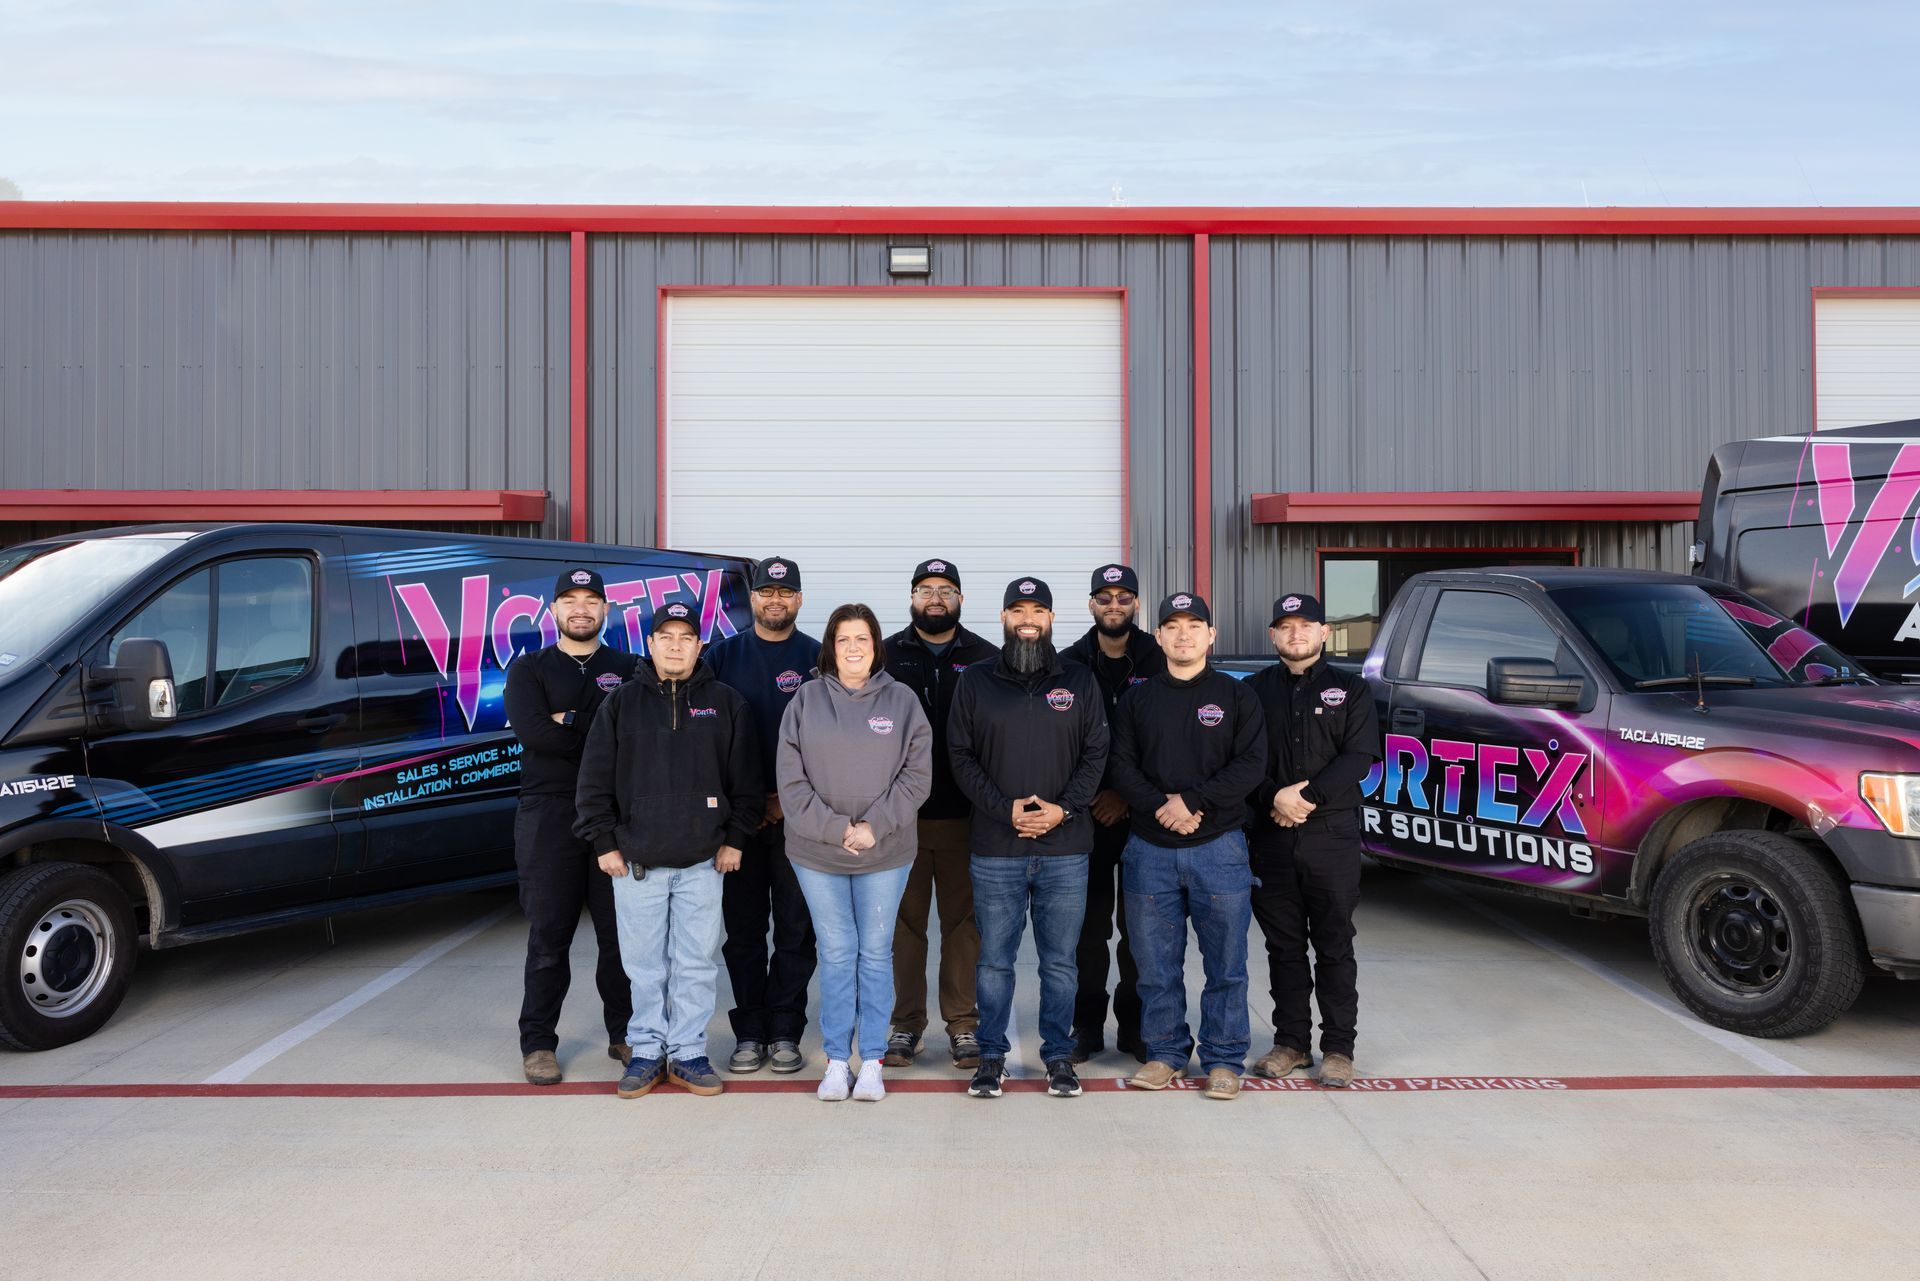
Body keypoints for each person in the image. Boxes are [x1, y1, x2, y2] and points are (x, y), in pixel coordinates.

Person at [575, 600, 763, 1099]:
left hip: (704, 862)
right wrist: (603, 842)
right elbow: (592, 782)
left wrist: (735, 840)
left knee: (696, 962)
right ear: (651, 644)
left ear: (699, 645)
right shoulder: (619, 704)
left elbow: (747, 785)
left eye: (686, 637)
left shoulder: (726, 702)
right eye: (667, 637)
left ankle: (688, 1052)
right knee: (643, 964)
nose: (676, 645)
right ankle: (645, 1051)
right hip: (636, 864)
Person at [948, 578, 1108, 1099]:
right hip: (997, 848)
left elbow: (1095, 755)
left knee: (1061, 962)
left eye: (1038, 609)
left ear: (1052, 619)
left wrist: (1061, 810)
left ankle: (1058, 1056)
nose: (1028, 619)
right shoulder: (975, 681)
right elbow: (960, 756)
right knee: (995, 959)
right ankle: (990, 1057)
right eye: (1018, 609)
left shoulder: (1080, 681)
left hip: (1066, 849)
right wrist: (1004, 809)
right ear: (1003, 618)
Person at [1107, 592, 1267, 1101]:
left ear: (1210, 635)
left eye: (1194, 625)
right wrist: (1162, 806)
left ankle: (1223, 1059)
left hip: (1219, 848)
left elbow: (1250, 766)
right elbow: (1120, 766)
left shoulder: (1237, 696)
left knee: (1227, 963)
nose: (1183, 635)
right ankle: (1166, 1053)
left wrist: (1192, 801)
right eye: (1172, 627)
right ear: (1158, 637)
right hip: (1148, 850)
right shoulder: (1137, 699)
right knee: (1154, 965)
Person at [776, 603, 932, 1102]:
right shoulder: (805, 701)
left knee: (875, 954)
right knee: (838, 952)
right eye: (843, 639)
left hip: (884, 852)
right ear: (830, 646)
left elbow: (916, 776)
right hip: (817, 852)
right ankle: (837, 1061)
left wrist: (873, 827)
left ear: (875, 645)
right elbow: (790, 781)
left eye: (862, 639)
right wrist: (837, 828)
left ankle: (873, 1061)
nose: (853, 648)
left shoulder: (903, 701)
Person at [503, 568, 638, 1086]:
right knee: (549, 936)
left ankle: (625, 1034)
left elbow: (634, 737)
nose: (580, 609)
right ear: (553, 611)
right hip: (549, 814)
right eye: (569, 600)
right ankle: (538, 1042)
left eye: (591, 600)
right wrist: (596, 724)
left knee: (619, 937)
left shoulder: (629, 667)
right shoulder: (529, 669)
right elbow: (536, 734)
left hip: (615, 814)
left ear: (607, 610)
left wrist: (570, 720)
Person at [1244, 592, 1381, 1089]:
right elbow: (1243, 761)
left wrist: (1306, 798)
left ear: (1325, 633)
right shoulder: (1252, 691)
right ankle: (1291, 1043)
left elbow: (1358, 756)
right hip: (1271, 836)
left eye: (1306, 625)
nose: (1296, 633)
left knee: (1334, 944)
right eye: (1285, 626)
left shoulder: (1352, 689)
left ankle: (1339, 1049)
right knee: (1283, 947)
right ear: (1273, 636)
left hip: (1331, 835)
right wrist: (1272, 799)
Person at [882, 558, 999, 1070]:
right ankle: (905, 1024)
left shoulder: (986, 658)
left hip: (964, 818)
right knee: (903, 926)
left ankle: (963, 1025)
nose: (935, 598)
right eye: (926, 589)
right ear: (911, 597)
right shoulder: (885, 655)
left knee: (963, 926)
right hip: (898, 819)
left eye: (946, 590)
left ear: (961, 599)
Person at [705, 556, 820, 1075]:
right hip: (740, 826)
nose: (775, 600)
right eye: (766, 591)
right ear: (751, 598)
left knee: (797, 933)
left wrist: (784, 801)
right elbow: (704, 744)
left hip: (801, 821)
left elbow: (831, 744)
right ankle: (749, 1030)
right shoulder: (721, 656)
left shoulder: (821, 658)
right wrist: (746, 807)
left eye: (785, 592)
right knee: (745, 934)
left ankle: (785, 1030)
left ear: (799, 599)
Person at [1059, 562, 1164, 1063]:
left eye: (1124, 597)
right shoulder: (1068, 662)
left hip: (1145, 818)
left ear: (1137, 604)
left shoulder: (1161, 658)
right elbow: (1061, 744)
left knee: (1140, 930)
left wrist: (1128, 795)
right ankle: (1085, 1026)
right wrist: (1093, 797)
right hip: (1088, 818)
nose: (1114, 604)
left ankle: (1135, 1026)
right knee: (1089, 929)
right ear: (1091, 605)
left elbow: (1170, 743)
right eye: (1105, 596)